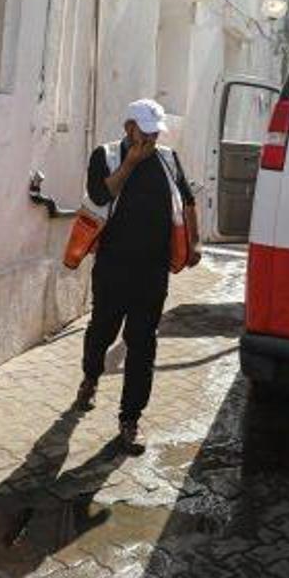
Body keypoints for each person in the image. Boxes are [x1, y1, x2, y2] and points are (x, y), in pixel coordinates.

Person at [73, 99, 200, 455]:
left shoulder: (168, 159)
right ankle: (91, 377)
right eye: (145, 131)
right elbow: (101, 194)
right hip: (113, 266)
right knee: (102, 329)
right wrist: (130, 163)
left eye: (155, 131)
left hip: (153, 270)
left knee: (143, 343)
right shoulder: (107, 156)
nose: (152, 138)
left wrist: (196, 241)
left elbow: (187, 201)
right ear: (129, 128)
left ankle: (130, 420)